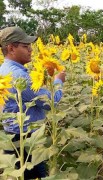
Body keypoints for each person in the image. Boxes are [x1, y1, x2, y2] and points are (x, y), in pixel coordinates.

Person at [0, 26, 66, 178]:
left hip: (12, 138)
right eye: (25, 46)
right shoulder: (18, 75)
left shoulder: (3, 69)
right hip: (26, 140)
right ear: (11, 48)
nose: (30, 49)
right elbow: (50, 102)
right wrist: (58, 82)